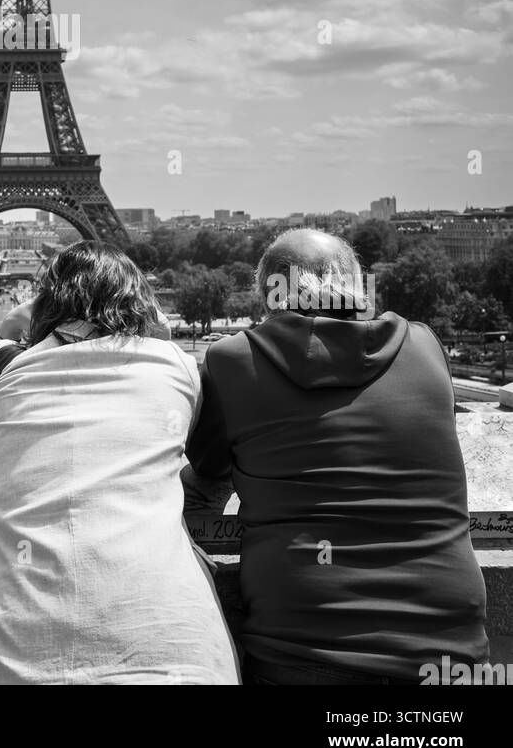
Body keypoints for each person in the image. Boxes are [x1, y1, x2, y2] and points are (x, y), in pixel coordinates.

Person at [0, 242, 240, 685]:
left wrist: (28, 314)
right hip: (172, 645)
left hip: (7, 648)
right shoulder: (178, 367)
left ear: (47, 301)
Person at [187, 228, 489, 685]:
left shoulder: (230, 361)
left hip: (303, 648)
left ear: (270, 297)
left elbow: (210, 469)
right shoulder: (425, 346)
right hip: (450, 654)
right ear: (356, 287)